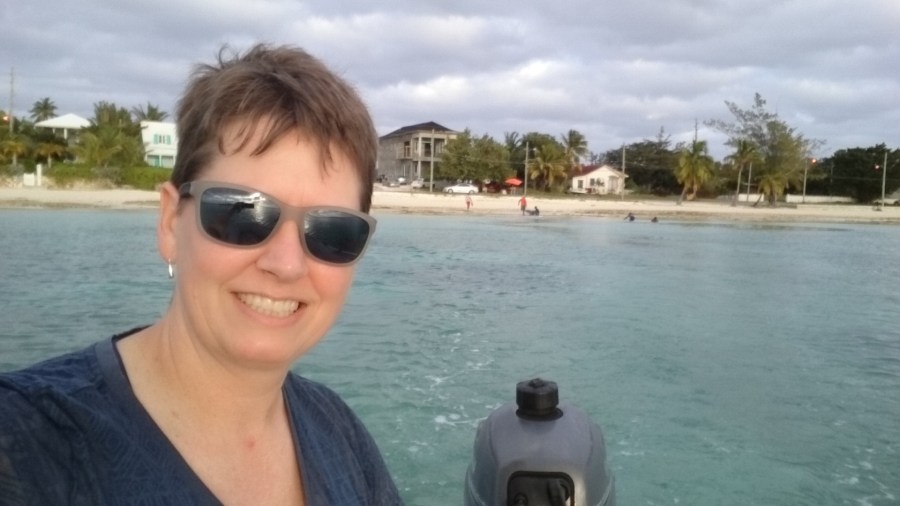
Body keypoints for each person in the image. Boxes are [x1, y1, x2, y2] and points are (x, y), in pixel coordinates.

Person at [0, 44, 403, 505]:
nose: (286, 264)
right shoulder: (27, 443)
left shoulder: (343, 437)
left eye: (332, 231)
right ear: (171, 223)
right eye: (242, 214)